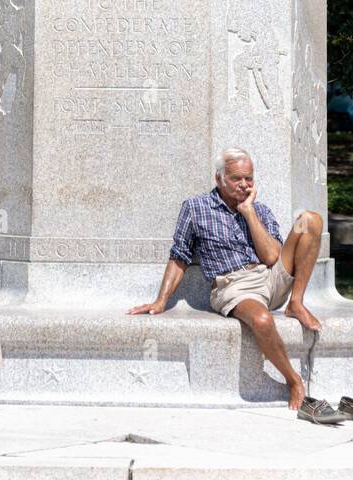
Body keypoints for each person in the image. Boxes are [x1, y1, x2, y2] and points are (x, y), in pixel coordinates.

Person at [128, 149, 323, 412]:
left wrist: (249, 212)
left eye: (249, 179)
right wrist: (161, 301)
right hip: (234, 286)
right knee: (263, 320)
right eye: (237, 179)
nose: (244, 185)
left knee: (310, 221)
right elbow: (180, 256)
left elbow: (271, 256)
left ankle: (296, 303)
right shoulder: (195, 208)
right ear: (219, 179)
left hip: (269, 276)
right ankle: (294, 380)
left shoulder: (259, 210)